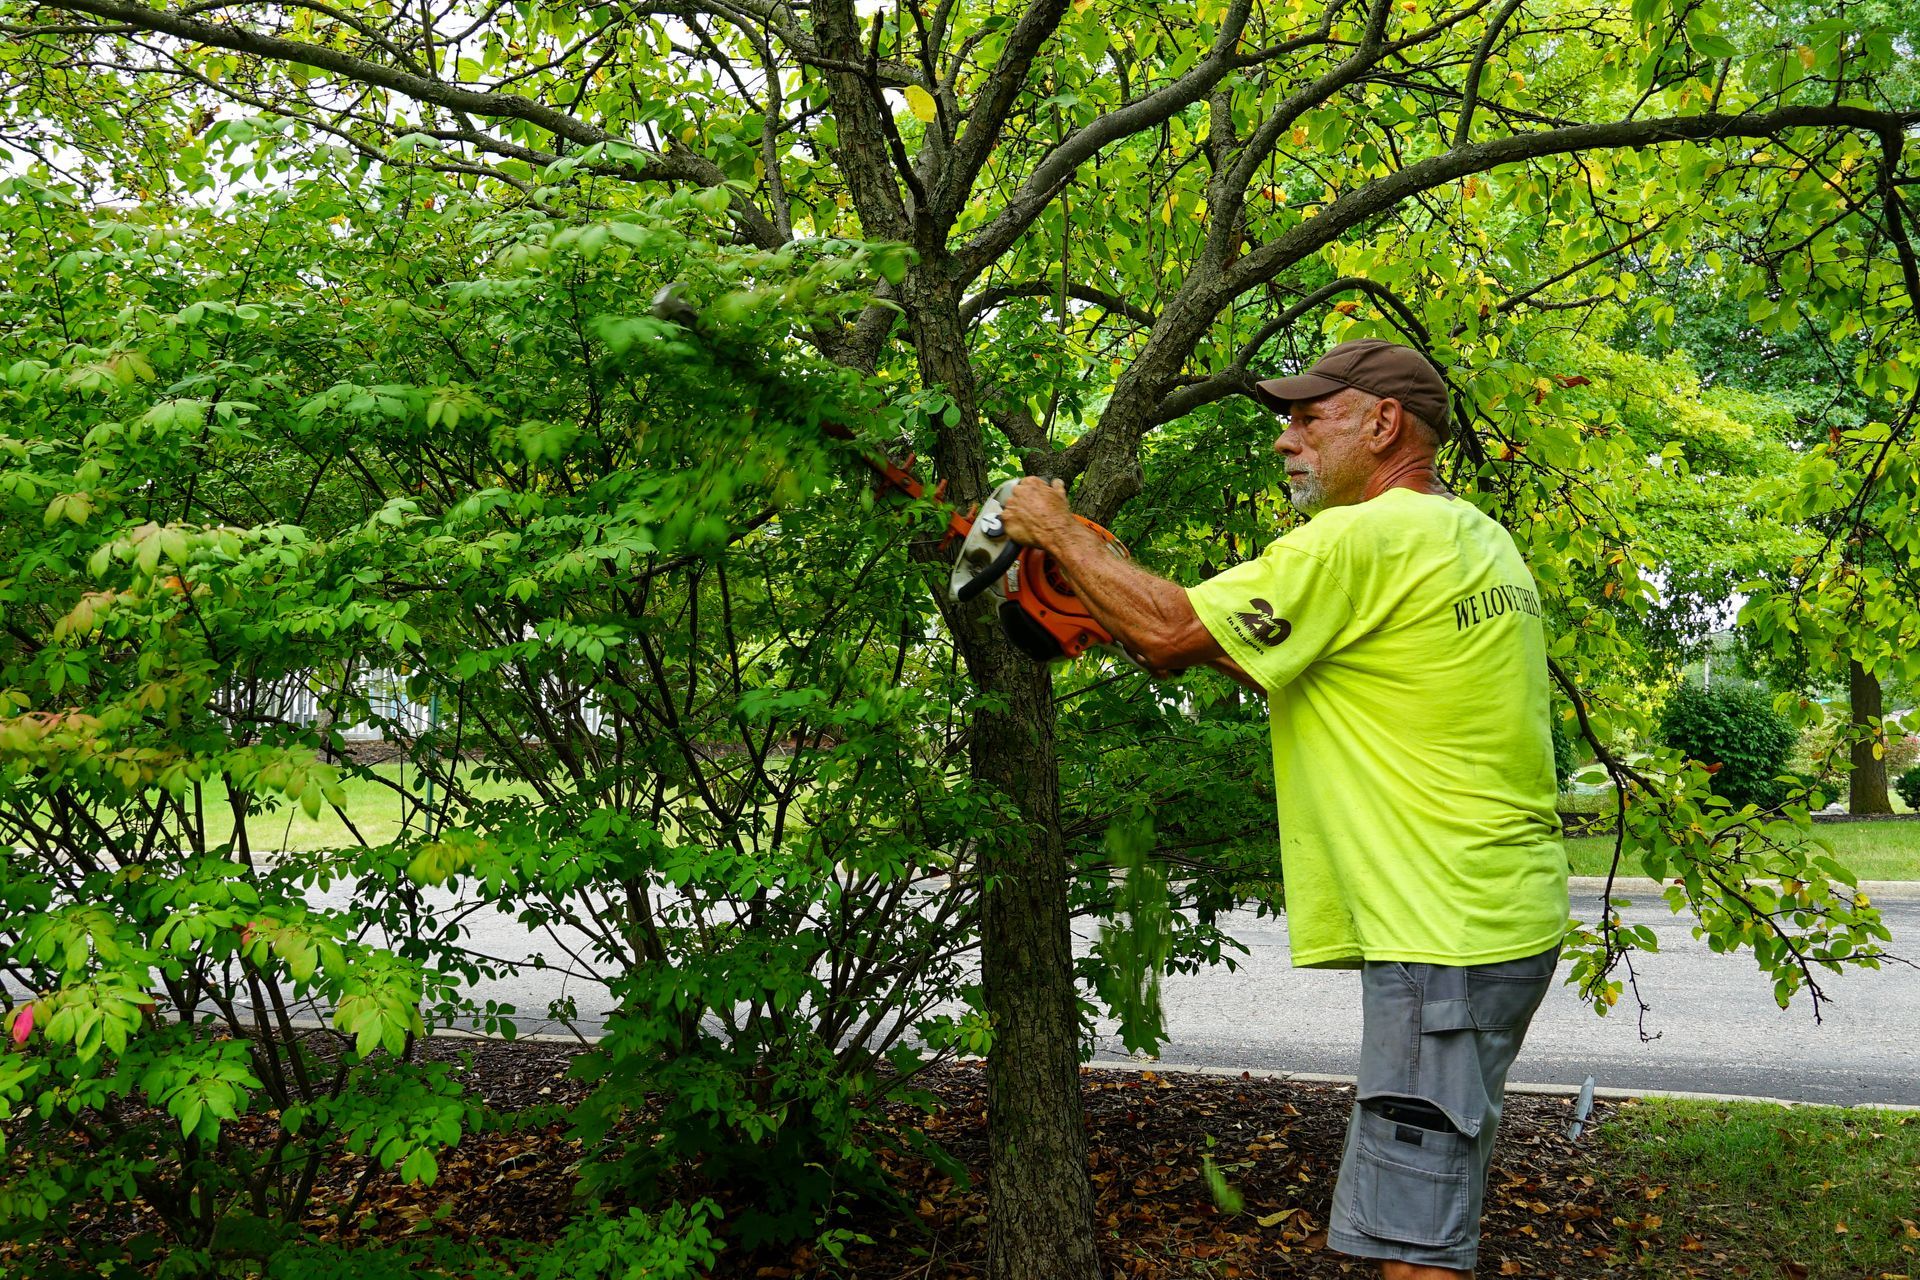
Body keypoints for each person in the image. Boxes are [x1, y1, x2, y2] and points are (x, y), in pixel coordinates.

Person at [996, 338, 1570, 1279]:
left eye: (1309, 418)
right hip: (1494, 920)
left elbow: (1176, 632)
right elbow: (1228, 647)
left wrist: (1055, 529)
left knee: (1412, 1242)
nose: (1284, 440)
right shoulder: (1470, 536)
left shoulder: (1359, 539)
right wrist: (1115, 585)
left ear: (1383, 425)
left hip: (1444, 940)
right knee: (1421, 1203)